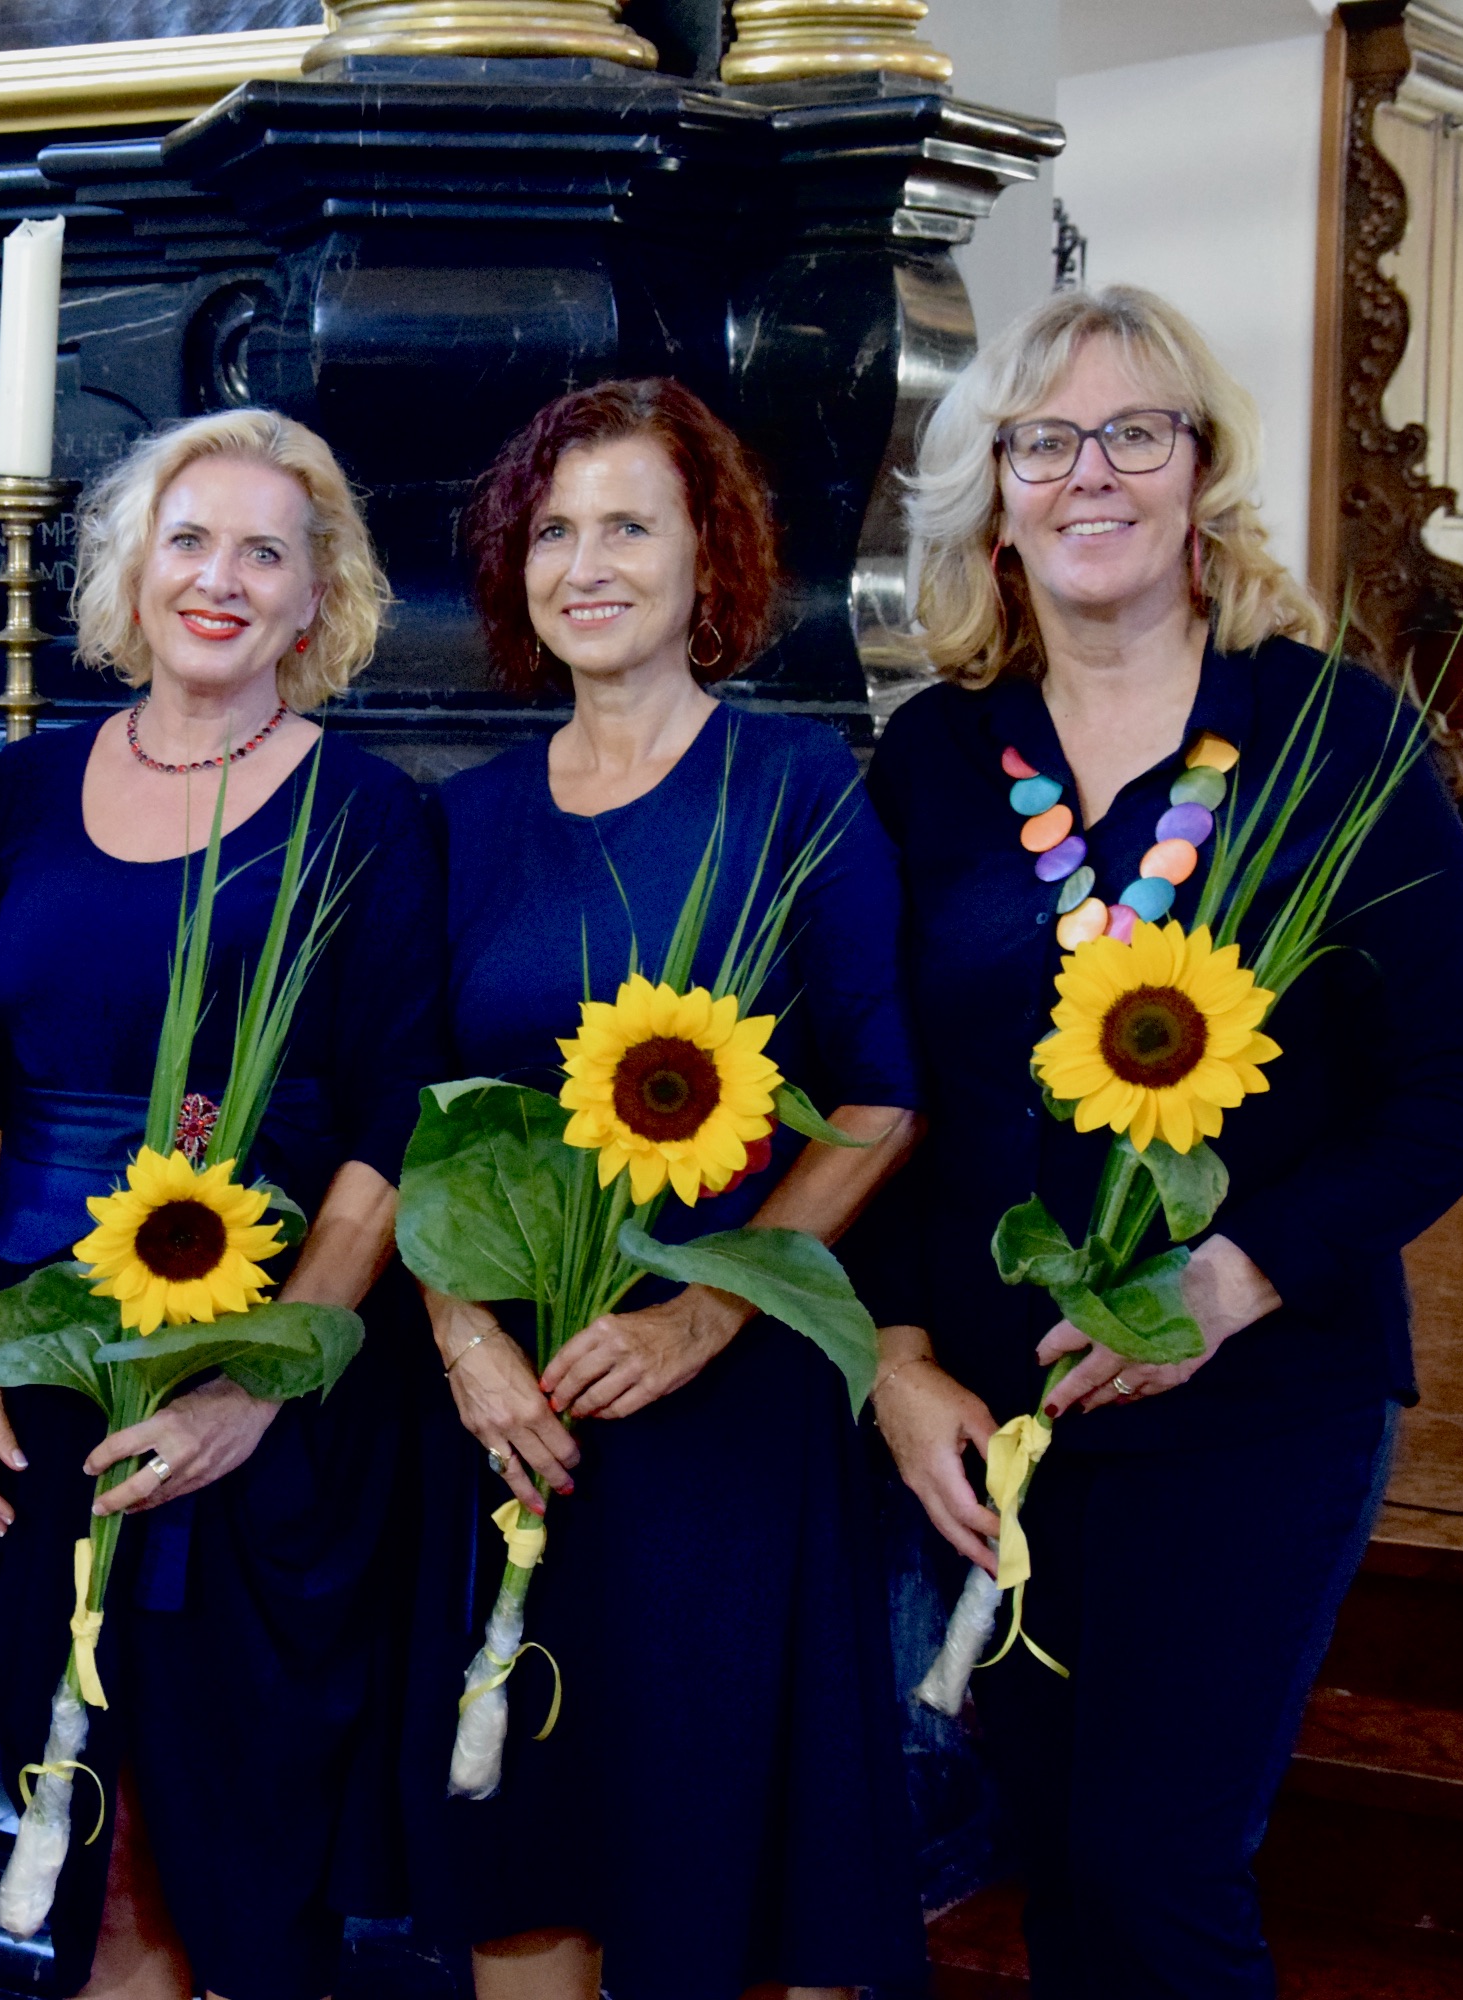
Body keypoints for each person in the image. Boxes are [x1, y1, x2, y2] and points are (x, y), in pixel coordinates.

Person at [863, 286, 1463, 1994]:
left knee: (1159, 1875)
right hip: (996, 1418)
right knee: (1060, 1867)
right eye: (1045, 441)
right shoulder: (933, 759)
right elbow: (881, 1094)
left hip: (1258, 1403)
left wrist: (1233, 1278)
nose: (1092, 473)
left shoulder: (1335, 734)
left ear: (1201, 472)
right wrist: (898, 1359)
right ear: (994, 496)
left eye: (1135, 433)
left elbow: (1455, 1088)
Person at [405, 378, 928, 2000]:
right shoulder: (464, 819)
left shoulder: (797, 785)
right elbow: (412, 1123)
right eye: (554, 531)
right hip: (517, 1422)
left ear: (712, 555)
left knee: (715, 1871)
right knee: (523, 1857)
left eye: (630, 524)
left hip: (724, 1425)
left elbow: (882, 1096)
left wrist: (709, 1311)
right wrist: (464, 1339)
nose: (588, 564)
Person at [0, 408, 444, 2000]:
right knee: (80, 1822)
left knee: (231, 1832)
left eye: (263, 553)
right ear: (132, 570)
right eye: (189, 540)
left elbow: (389, 1132)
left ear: (318, 597)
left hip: (254, 1379)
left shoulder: (369, 813)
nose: (220, 579)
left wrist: (255, 1389)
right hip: (36, 1373)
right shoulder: (26, 788)